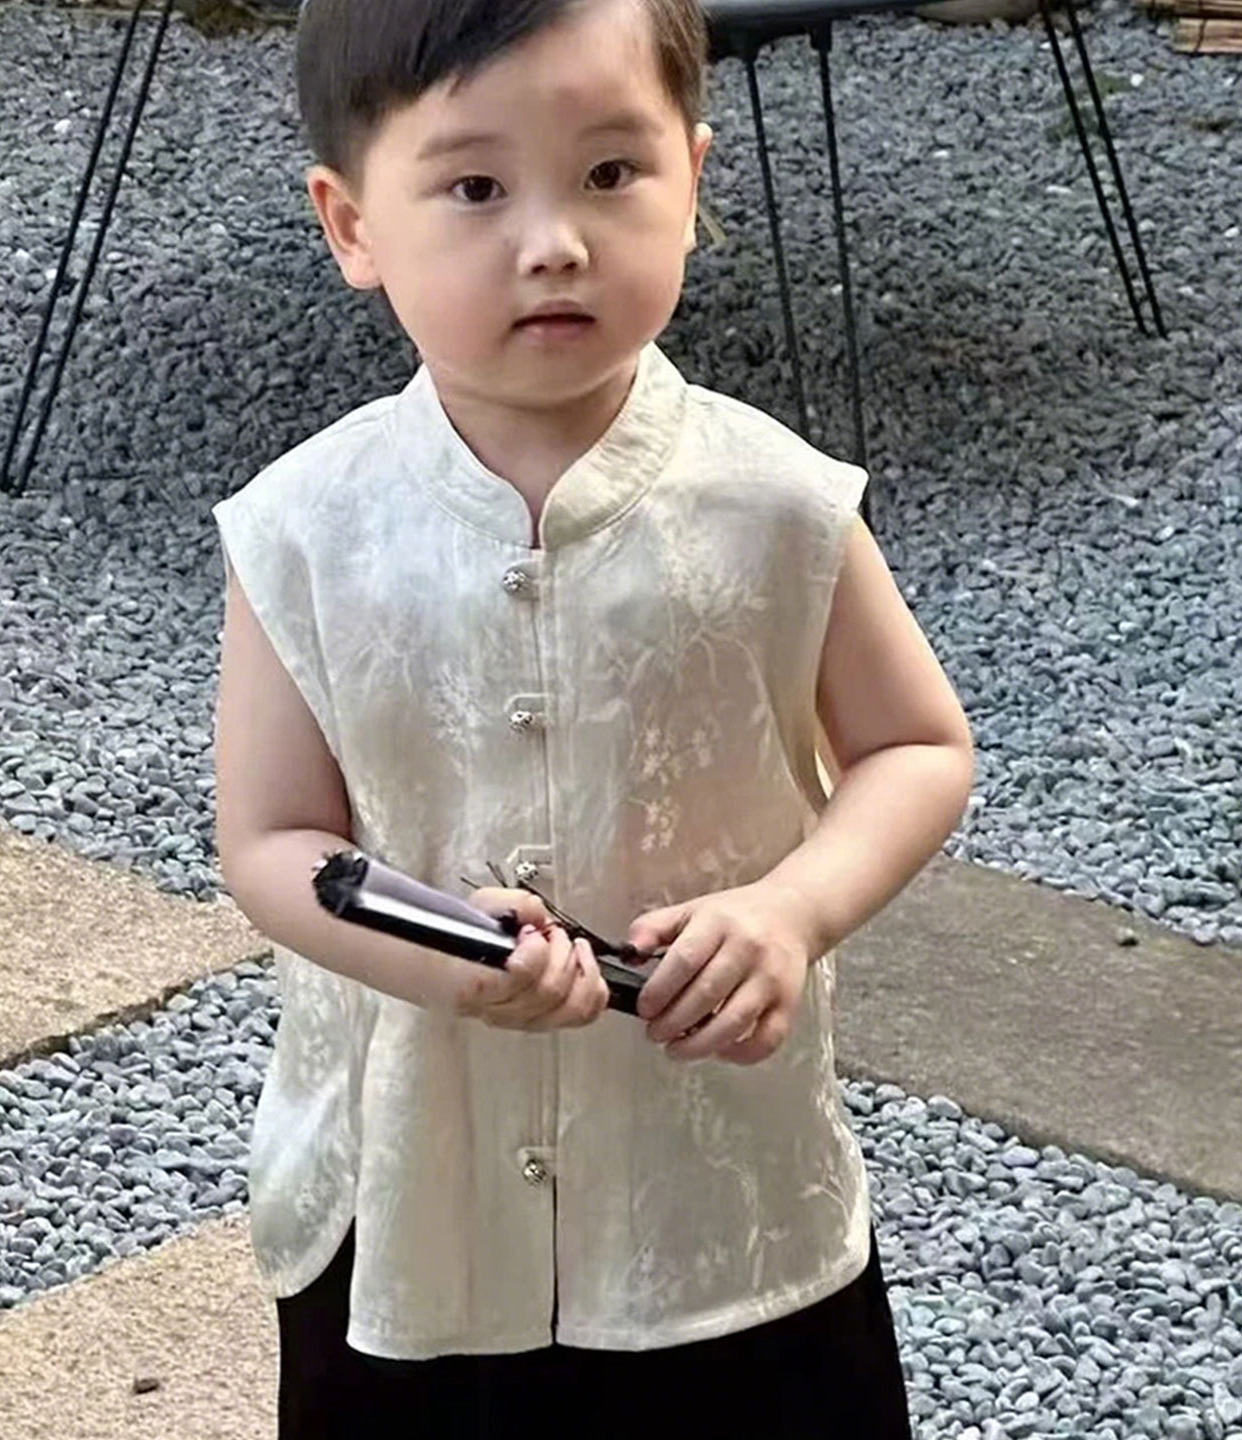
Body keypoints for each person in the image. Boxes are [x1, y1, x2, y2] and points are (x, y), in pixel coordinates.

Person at [210, 0, 974, 1434]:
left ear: (692, 176)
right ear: (352, 224)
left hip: (714, 1196)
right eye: (475, 187)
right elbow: (269, 840)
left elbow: (916, 746)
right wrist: (433, 959)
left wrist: (792, 911)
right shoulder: (304, 528)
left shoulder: (776, 503)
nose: (554, 240)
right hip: (412, 1202)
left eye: (611, 173)